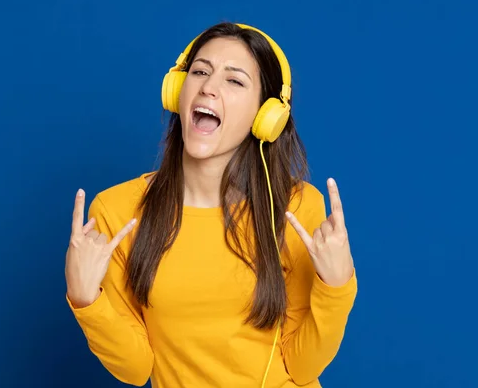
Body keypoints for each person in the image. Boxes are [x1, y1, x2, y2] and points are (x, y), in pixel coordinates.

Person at [65, 22, 357, 388]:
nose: (208, 87)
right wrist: (85, 298)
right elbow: (136, 368)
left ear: (266, 115)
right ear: (177, 91)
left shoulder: (295, 208)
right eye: (200, 72)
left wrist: (337, 285)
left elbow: (301, 366)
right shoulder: (118, 212)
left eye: (234, 81)